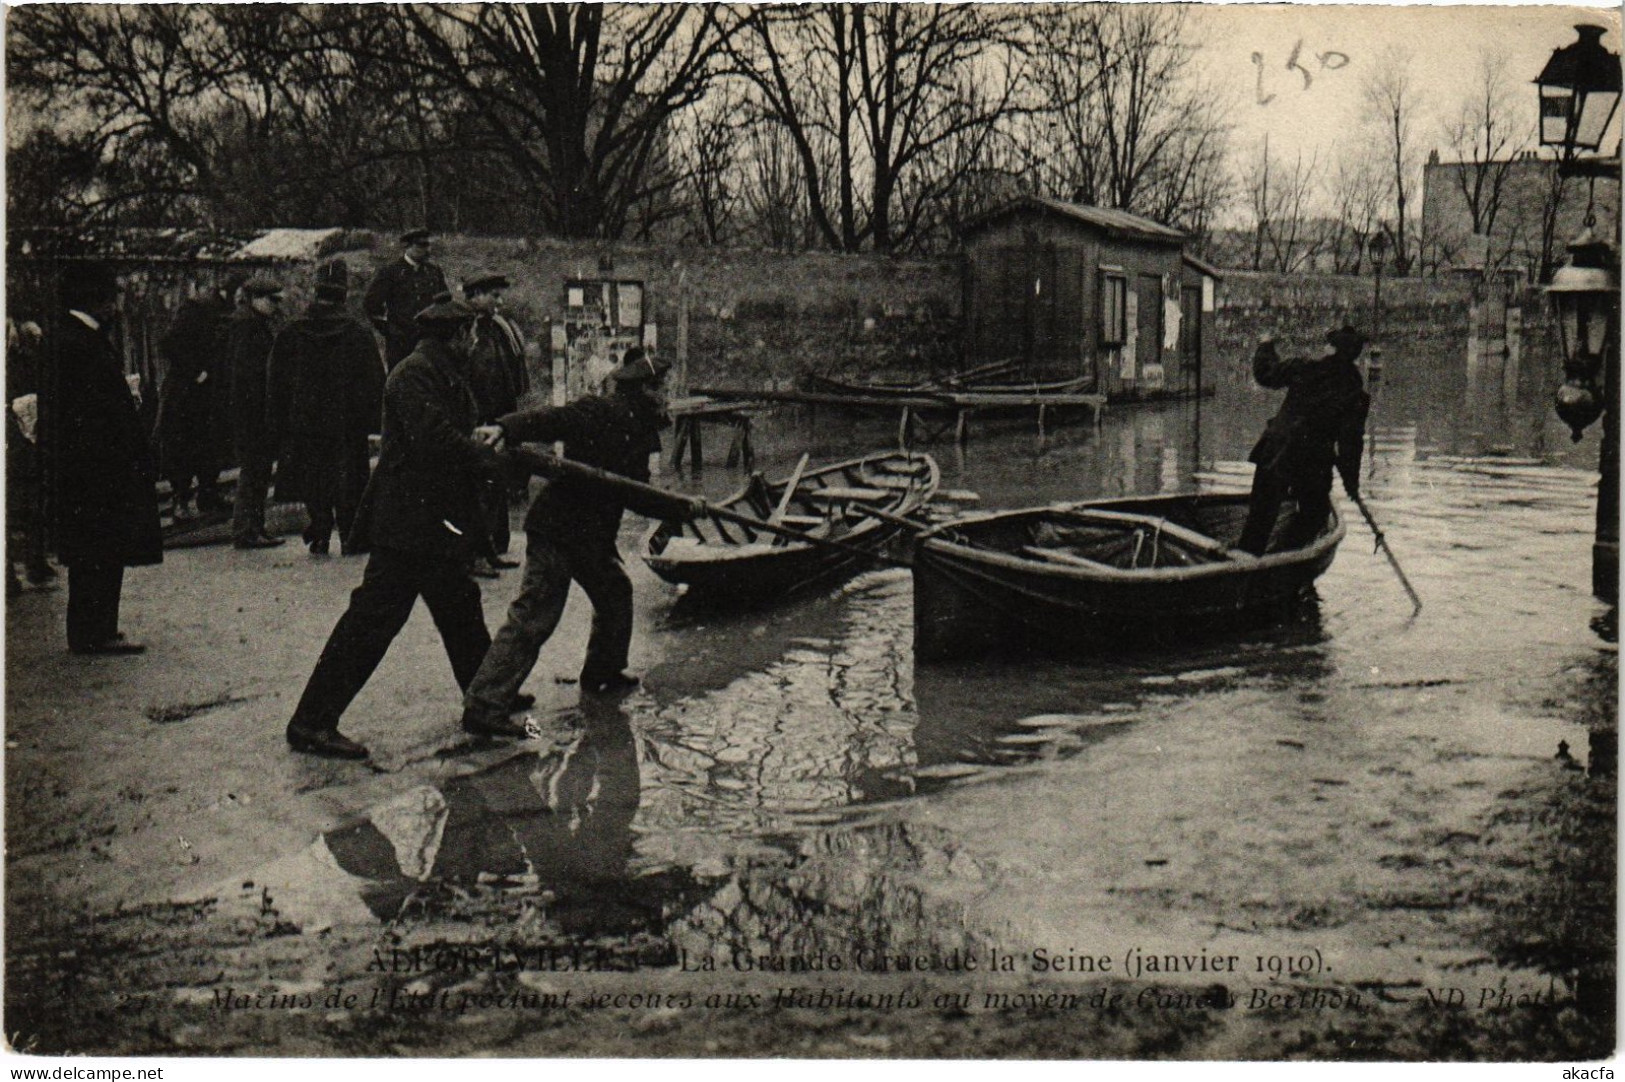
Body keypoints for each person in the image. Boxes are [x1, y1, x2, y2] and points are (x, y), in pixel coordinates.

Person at [284, 298, 504, 759]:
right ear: (457, 335)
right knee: (372, 623)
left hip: (429, 521)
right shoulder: (412, 374)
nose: (477, 341)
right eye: (472, 334)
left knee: (460, 608)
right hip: (409, 523)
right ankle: (311, 723)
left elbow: (451, 430)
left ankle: (486, 697)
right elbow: (434, 440)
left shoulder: (439, 370)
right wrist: (482, 453)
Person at [459, 347, 681, 738]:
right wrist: (506, 428)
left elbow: (634, 492)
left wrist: (675, 509)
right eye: (664, 389)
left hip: (592, 535)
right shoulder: (600, 411)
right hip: (559, 528)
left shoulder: (643, 428)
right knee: (535, 616)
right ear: (646, 389)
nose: (668, 397)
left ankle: (602, 673)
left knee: (614, 593)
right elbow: (551, 419)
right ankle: (485, 705)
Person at [47, 262, 163, 654]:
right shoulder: (80, 343)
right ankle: (95, 632)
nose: (116, 305)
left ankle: (94, 629)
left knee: (94, 552)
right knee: (99, 551)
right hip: (97, 467)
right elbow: (91, 412)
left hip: (87, 467)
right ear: (96, 299)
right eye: (111, 297)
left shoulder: (75, 337)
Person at [269, 259, 385, 556]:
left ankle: (320, 532)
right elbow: (374, 382)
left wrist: (280, 421)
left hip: (305, 425)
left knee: (313, 479)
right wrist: (372, 422)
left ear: (315, 292)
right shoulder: (358, 334)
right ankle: (349, 535)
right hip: (347, 425)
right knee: (349, 479)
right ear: (344, 294)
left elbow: (276, 382)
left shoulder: (291, 333)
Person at [1237, 324, 1371, 557]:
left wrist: (1266, 344)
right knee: (1315, 514)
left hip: (1276, 452)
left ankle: (1247, 562)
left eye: (1327, 344)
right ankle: (1286, 557)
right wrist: (1351, 483)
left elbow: (1266, 373)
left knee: (1260, 517)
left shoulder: (1305, 368)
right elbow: (1350, 444)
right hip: (1313, 461)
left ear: (1331, 349)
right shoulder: (1354, 389)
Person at [157, 273, 241, 521]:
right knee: (184, 445)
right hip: (186, 393)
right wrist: (196, 372)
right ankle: (180, 499)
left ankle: (208, 494)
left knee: (211, 443)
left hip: (211, 393)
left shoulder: (227, 313)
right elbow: (168, 343)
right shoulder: (197, 309)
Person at [462, 271, 529, 574]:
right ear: (475, 296)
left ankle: (492, 548)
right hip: (477, 418)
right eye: (494, 295)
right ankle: (476, 553)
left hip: (499, 416)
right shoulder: (467, 330)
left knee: (496, 481)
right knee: (477, 486)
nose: (499, 302)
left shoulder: (498, 328)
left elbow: (509, 374)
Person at [226, 275, 286, 549]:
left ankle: (252, 528)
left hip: (249, 411)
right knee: (254, 471)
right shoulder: (249, 327)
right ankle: (248, 530)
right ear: (255, 299)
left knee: (256, 471)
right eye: (271, 300)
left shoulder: (249, 323)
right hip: (252, 412)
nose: (275, 306)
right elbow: (248, 376)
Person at [363, 228, 449, 372]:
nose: (426, 250)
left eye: (427, 245)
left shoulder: (434, 272)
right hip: (401, 345)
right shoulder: (391, 272)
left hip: (428, 342)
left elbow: (445, 302)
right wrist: (390, 330)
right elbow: (371, 304)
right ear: (407, 247)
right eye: (421, 245)